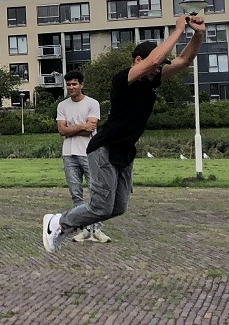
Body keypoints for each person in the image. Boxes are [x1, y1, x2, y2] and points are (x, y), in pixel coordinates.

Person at [42, 14, 207, 251]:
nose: (157, 69)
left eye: (159, 66)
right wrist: (178, 30)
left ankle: (62, 224)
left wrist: (198, 34)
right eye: (154, 63)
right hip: (104, 148)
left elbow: (183, 60)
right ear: (138, 59)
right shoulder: (123, 79)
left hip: (125, 151)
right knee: (100, 206)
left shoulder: (152, 81)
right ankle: (58, 222)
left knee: (118, 207)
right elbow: (152, 62)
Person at [55, 72, 109, 243]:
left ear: (81, 85)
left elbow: (90, 130)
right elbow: (61, 131)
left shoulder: (92, 104)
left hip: (89, 152)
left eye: (74, 84)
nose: (71, 87)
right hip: (69, 154)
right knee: (76, 194)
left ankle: (97, 228)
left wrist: (73, 128)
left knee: (95, 190)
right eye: (69, 84)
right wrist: (81, 126)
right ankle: (84, 228)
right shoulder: (62, 106)